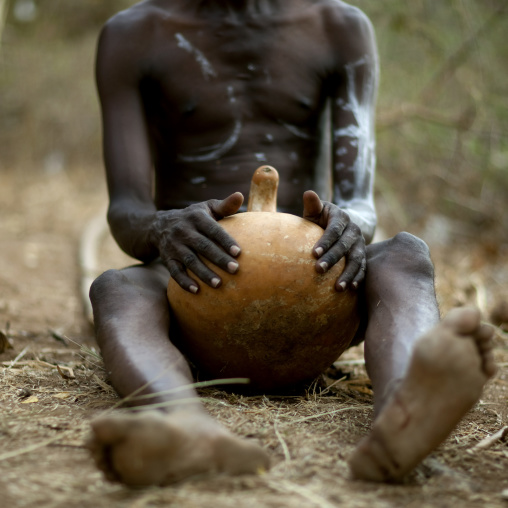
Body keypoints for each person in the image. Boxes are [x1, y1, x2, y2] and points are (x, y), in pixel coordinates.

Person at [88, 0, 496, 487]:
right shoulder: (133, 35)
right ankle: (182, 425)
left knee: (405, 255)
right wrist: (164, 228)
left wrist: (350, 225)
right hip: (193, 280)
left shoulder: (338, 28)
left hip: (318, 284)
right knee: (117, 289)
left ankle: (405, 413)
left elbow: (360, 204)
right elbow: (126, 211)